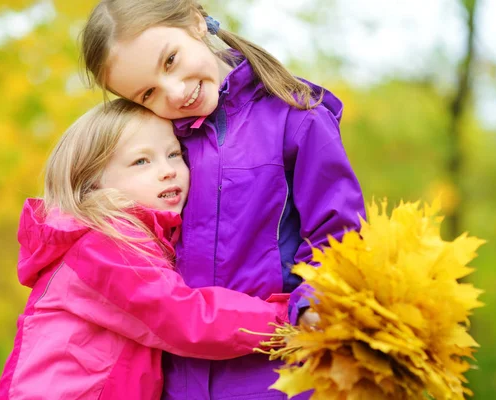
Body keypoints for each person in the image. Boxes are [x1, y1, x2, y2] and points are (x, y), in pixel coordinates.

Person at [81, 1, 366, 398]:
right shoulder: (160, 145)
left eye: (171, 60)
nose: (176, 92)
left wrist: (312, 305)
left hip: (278, 373)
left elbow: (339, 235)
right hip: (178, 382)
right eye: (148, 93)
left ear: (197, 22)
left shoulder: (296, 116)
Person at [0, 99, 290, 400]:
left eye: (174, 154)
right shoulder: (100, 246)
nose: (168, 170)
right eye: (141, 161)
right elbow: (183, 316)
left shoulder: (137, 239)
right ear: (92, 182)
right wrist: (287, 317)